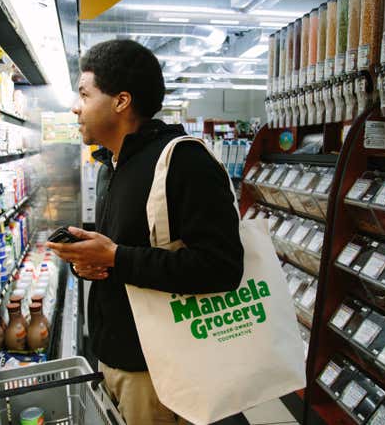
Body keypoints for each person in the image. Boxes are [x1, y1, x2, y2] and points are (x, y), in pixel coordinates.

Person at [46, 39, 244, 425]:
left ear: (121, 101)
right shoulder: (111, 165)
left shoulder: (183, 161)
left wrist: (116, 258)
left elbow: (222, 266)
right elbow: (118, 251)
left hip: (157, 368)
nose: (75, 106)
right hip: (112, 353)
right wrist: (89, 264)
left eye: (84, 94)